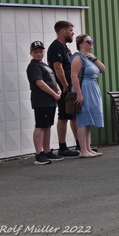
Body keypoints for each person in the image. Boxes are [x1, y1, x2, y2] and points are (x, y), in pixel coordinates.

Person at [26, 41, 65, 165]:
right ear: (31, 53)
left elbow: (52, 80)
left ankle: (47, 151)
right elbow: (40, 82)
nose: (39, 54)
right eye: (36, 52)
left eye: (41, 51)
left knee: (48, 126)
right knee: (40, 126)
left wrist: (58, 89)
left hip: (50, 101)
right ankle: (39, 154)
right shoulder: (33, 66)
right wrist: (54, 94)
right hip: (41, 101)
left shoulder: (45, 65)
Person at [47, 20, 79, 157]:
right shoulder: (56, 47)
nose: (73, 33)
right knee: (64, 115)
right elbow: (58, 67)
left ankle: (80, 143)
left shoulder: (65, 47)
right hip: (63, 87)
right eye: (71, 30)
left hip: (70, 86)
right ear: (63, 31)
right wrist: (65, 85)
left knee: (73, 114)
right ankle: (62, 147)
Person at [70, 34, 105, 158]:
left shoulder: (89, 58)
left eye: (92, 40)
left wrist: (94, 59)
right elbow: (74, 76)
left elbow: (102, 69)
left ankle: (88, 148)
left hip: (92, 87)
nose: (91, 43)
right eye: (88, 41)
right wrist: (79, 94)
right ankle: (83, 150)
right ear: (81, 44)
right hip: (84, 88)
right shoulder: (78, 58)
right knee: (83, 118)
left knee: (89, 119)